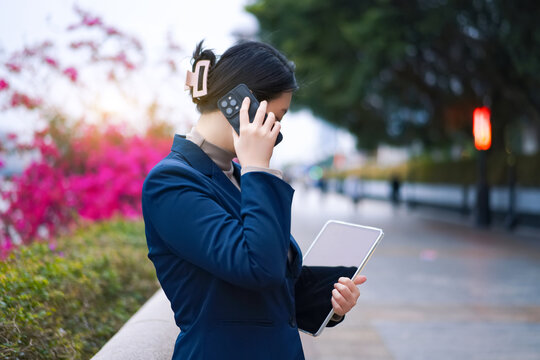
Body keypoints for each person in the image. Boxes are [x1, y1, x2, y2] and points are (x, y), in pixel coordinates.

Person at [142, 40, 367, 360]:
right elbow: (257, 267)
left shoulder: (237, 175)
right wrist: (257, 168)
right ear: (241, 103)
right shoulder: (172, 181)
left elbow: (273, 287)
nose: (278, 131)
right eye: (277, 116)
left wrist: (333, 302)